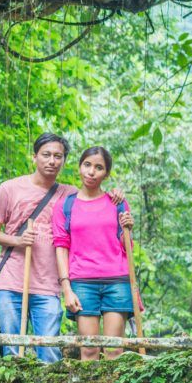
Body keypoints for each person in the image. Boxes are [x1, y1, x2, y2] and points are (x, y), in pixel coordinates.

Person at [0, 134, 125, 362]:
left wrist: (116, 195)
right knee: (11, 349)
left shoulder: (70, 195)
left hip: (48, 286)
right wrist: (17, 241)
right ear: (34, 157)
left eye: (58, 156)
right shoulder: (9, 188)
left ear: (64, 161)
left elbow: (95, 198)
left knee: (49, 351)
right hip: (11, 282)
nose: (52, 161)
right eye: (46, 155)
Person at [53, 146, 136, 361]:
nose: (91, 172)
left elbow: (127, 248)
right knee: (88, 350)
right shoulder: (65, 205)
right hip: (83, 282)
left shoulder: (117, 203)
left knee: (114, 351)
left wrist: (128, 228)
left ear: (106, 174)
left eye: (99, 168)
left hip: (117, 281)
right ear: (79, 167)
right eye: (87, 165)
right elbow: (61, 247)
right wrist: (66, 288)